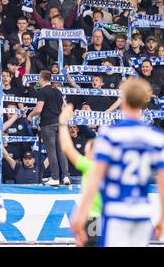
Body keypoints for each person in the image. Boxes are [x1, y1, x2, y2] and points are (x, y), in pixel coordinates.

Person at [71, 77, 164, 247]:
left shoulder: (110, 135)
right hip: (141, 211)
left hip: (116, 210)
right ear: (143, 102)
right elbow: (163, 180)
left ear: (123, 102)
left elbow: (95, 177)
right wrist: (161, 217)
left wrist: (80, 214)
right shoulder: (156, 137)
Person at [58, 103, 102, 246]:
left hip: (92, 218)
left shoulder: (90, 166)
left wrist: (63, 121)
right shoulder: (113, 167)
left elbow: (66, 147)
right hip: (111, 218)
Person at [27, 70, 70, 186]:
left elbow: (38, 109)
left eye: (38, 78)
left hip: (48, 124)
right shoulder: (57, 91)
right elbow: (64, 107)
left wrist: (30, 115)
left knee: (51, 152)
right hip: (59, 123)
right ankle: (66, 177)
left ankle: (55, 178)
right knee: (61, 151)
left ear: (41, 79)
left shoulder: (42, 92)